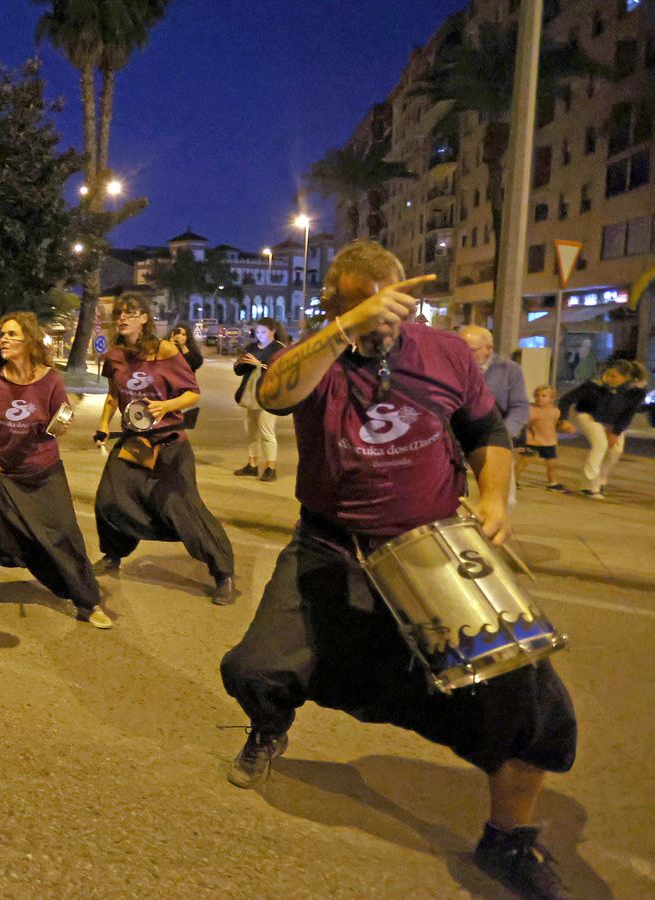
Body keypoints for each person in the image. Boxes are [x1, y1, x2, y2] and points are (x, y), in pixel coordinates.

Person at [218, 241, 577, 900]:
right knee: (255, 669)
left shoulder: (446, 353)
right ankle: (270, 725)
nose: (381, 326)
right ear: (331, 307)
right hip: (331, 548)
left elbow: (486, 433)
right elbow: (273, 394)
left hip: (436, 551)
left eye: (391, 311)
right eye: (363, 311)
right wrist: (344, 328)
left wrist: (495, 497)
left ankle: (508, 839)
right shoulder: (315, 354)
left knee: (526, 695)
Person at [0, 313, 109, 629]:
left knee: (64, 534)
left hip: (44, 471)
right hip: (5, 472)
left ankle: (87, 601)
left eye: (12, 334)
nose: (4, 339)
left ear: (28, 340)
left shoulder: (51, 379)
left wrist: (61, 425)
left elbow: (61, 421)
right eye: (2, 334)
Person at [94, 293, 236, 604]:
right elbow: (111, 395)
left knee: (182, 509)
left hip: (169, 444)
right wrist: (104, 425)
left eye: (130, 312)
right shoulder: (115, 355)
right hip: (133, 442)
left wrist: (165, 406)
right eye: (119, 313)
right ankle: (113, 555)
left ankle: (223, 572)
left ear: (145, 318)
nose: (123, 317)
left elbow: (192, 394)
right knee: (109, 500)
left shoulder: (165, 350)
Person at [557, 358, 648, 499]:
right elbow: (566, 399)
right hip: (588, 415)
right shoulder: (593, 386)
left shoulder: (635, 392)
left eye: (614, 376)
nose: (609, 378)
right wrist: (563, 419)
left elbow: (627, 414)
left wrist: (615, 432)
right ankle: (588, 486)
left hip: (611, 420)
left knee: (616, 449)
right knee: (600, 445)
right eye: (608, 374)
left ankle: (600, 480)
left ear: (626, 378)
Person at [233, 318, 289, 482]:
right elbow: (239, 371)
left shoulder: (279, 349)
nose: (260, 335)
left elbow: (283, 371)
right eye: (257, 332)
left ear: (273, 331)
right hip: (250, 394)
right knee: (251, 431)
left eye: (263, 332)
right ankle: (252, 464)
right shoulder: (251, 347)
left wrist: (260, 364)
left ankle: (271, 467)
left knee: (266, 431)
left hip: (268, 395)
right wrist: (241, 363)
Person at [459, 325, 530, 442]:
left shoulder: (509, 369)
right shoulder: (454, 367)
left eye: (471, 350)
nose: (464, 354)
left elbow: (519, 406)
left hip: (495, 434)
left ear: (488, 348)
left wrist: (502, 436)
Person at [516, 385, 567, 491]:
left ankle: (552, 483)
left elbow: (554, 424)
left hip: (549, 442)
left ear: (551, 398)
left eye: (544, 396)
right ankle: (512, 480)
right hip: (532, 441)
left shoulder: (555, 411)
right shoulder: (531, 409)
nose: (540, 398)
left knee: (552, 464)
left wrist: (563, 426)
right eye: (537, 396)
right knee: (523, 462)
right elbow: (523, 422)